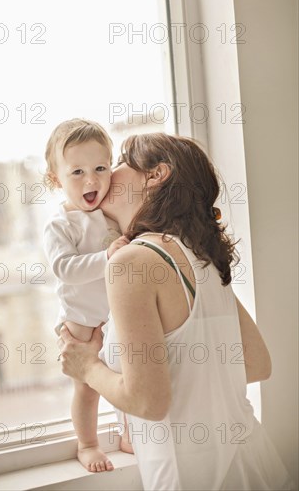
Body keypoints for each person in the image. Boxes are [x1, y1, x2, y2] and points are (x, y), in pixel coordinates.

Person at [58, 133, 296, 490]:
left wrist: (87, 366)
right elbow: (257, 363)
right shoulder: (201, 256)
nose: (108, 174)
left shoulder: (132, 261)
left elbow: (148, 403)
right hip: (255, 465)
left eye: (120, 161)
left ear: (155, 175)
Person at [43, 118, 130, 473]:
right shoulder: (60, 224)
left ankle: (128, 433)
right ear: (55, 179)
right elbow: (64, 267)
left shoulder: (112, 213)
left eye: (100, 168)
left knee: (128, 376)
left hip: (119, 313)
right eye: (77, 172)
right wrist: (106, 257)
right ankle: (88, 443)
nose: (91, 180)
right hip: (82, 319)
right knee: (87, 386)